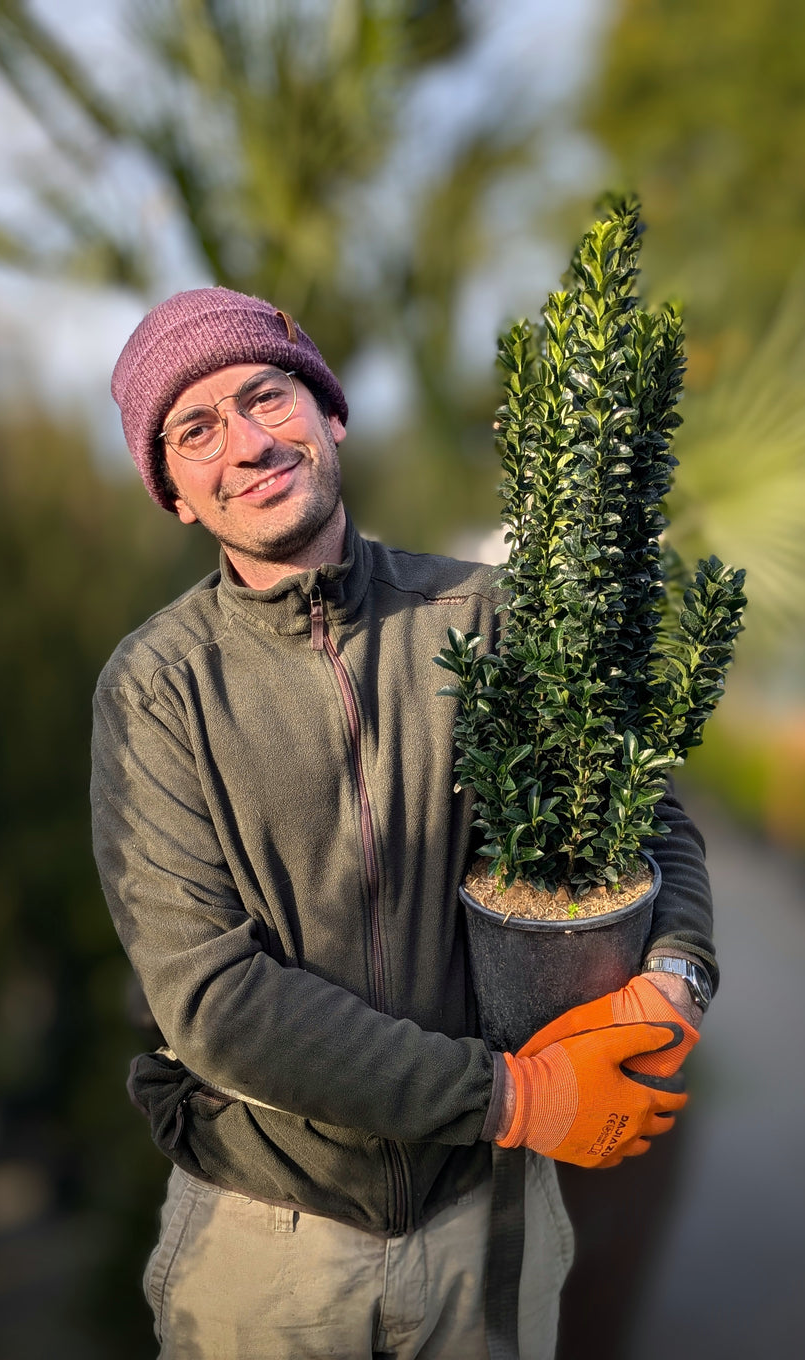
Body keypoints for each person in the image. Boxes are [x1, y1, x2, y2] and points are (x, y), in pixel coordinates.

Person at [91, 287, 718, 1360]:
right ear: (176, 493)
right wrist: (512, 1097)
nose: (245, 444)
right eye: (195, 431)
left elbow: (651, 818)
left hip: (490, 1224)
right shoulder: (159, 688)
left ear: (328, 413)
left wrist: (676, 975)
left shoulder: (488, 615)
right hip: (271, 1242)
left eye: (264, 396)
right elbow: (209, 996)